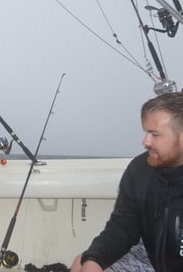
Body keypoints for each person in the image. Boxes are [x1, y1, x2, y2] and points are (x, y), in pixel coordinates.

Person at [70, 91, 183, 272]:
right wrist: (95, 259)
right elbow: (122, 227)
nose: (145, 141)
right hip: (151, 257)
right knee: (82, 263)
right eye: (146, 132)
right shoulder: (140, 169)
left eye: (155, 135)